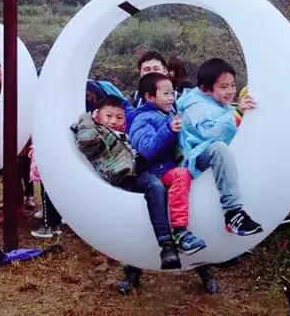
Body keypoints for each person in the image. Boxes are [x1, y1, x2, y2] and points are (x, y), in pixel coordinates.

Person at [73, 94, 181, 270]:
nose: (114, 121)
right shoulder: (96, 132)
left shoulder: (126, 134)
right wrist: (87, 118)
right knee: (135, 215)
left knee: (156, 186)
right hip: (119, 175)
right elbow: (86, 142)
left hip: (138, 172)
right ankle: (133, 269)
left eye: (119, 117)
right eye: (109, 116)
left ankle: (168, 245)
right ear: (97, 115)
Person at [178, 58, 263, 237]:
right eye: (224, 87)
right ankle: (232, 213)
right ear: (205, 89)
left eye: (233, 85)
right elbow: (210, 133)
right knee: (219, 148)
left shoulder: (220, 103)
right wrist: (238, 113)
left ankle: (263, 205)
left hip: (217, 154)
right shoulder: (195, 104)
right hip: (197, 154)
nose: (231, 91)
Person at [129, 73, 206, 255]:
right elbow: (148, 150)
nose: (171, 97)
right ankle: (180, 231)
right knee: (181, 174)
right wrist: (168, 130)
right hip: (160, 172)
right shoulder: (142, 119)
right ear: (149, 97)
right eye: (166, 94)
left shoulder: (171, 112)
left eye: (172, 93)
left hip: (176, 166)